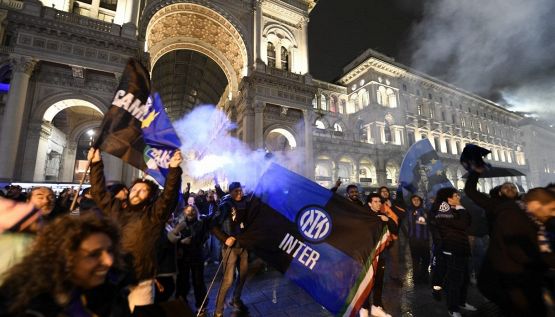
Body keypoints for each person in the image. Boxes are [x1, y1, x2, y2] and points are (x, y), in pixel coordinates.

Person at [88, 147, 183, 312]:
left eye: (143, 191)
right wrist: (96, 163)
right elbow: (99, 193)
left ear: (150, 197)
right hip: (114, 277)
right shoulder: (115, 209)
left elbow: (169, 196)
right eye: (135, 189)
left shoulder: (154, 215)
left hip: (142, 282)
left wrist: (174, 169)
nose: (137, 192)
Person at [0, 214, 131, 316]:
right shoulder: (29, 306)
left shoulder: (109, 292)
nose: (109, 261)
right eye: (94, 254)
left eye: (110, 251)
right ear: (64, 257)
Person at [431, 188, 476, 317]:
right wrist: (461, 208)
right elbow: (462, 224)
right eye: (456, 195)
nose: (459, 198)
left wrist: (460, 209)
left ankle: (461, 301)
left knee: (464, 279)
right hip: (452, 249)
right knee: (454, 281)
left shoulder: (454, 210)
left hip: (462, 248)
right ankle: (453, 307)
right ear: (448, 199)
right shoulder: (443, 211)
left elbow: (468, 222)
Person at [211, 182, 251, 317]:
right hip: (230, 248)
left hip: (243, 246)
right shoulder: (225, 205)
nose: (239, 193)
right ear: (231, 192)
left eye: (240, 190)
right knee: (228, 280)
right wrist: (224, 238)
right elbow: (213, 224)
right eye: (236, 191)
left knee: (243, 275)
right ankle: (218, 311)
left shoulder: (247, 202)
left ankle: (236, 298)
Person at [359, 193, 398, 317]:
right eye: (375, 201)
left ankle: (376, 306)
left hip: (380, 254)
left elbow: (395, 228)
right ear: (369, 203)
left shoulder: (382, 216)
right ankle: (364, 308)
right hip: (366, 254)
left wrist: (388, 219)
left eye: (380, 201)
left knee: (379, 280)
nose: (378, 203)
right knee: (366, 281)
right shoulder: (363, 215)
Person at [170, 204, 209, 316]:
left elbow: (203, 238)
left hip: (196, 256)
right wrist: (182, 241)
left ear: (196, 212)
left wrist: (193, 240)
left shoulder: (201, 223)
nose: (190, 213)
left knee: (198, 282)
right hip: (183, 257)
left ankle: (201, 305)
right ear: (184, 212)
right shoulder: (180, 224)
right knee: (183, 281)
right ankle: (182, 303)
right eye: (187, 210)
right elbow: (174, 238)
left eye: (192, 210)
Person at [406, 194, 430, 284]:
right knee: (416, 260)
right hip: (414, 240)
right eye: (414, 199)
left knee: (426, 259)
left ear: (421, 201)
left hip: (425, 239)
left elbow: (430, 222)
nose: (416, 201)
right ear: (411, 201)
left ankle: (424, 276)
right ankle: (416, 279)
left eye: (418, 199)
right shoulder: (409, 211)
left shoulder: (425, 210)